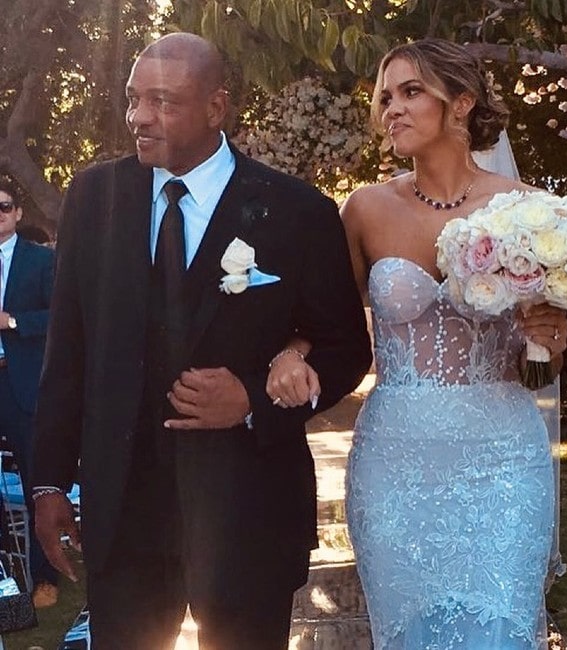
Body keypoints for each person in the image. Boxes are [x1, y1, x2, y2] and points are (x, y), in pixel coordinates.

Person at [32, 32, 372, 650]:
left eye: (162, 101)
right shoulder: (93, 197)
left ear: (216, 109)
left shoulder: (297, 212)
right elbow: (69, 351)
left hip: (248, 510)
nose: (138, 117)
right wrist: (50, 482)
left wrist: (253, 402)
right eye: (133, 99)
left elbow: (346, 347)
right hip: (124, 512)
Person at [266, 38, 567, 649]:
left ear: (461, 104)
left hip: (502, 457)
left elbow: (542, 363)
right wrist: (288, 352)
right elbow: (326, 323)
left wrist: (551, 340)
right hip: (395, 458)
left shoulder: (530, 213)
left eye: (411, 92)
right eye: (386, 97)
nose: (391, 110)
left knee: (500, 633)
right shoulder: (366, 209)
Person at [0, 180, 58, 607]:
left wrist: (13, 322)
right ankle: (5, 579)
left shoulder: (41, 260)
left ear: (18, 213)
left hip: (21, 385)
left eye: (2, 207)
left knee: (38, 481)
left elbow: (60, 317)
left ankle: (45, 577)